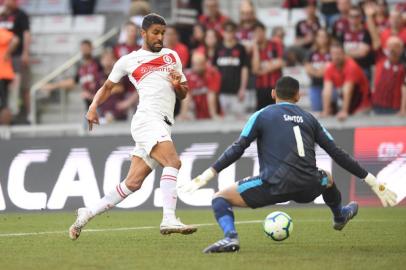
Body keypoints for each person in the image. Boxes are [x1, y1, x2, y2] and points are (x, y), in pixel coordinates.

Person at [180, 76, 397, 253]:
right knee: (327, 178)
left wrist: (209, 173)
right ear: (298, 96)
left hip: (272, 186)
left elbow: (239, 147)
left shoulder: (261, 115)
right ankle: (339, 216)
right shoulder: (311, 119)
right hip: (308, 186)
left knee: (220, 198)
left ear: (273, 93)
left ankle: (230, 238)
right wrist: (371, 180)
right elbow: (337, 153)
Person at [68, 13, 197, 240]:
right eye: (155, 33)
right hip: (147, 119)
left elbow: (184, 93)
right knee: (173, 162)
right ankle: (168, 218)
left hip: (164, 124)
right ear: (143, 33)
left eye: (163, 33)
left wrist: (178, 86)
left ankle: (86, 214)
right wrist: (93, 107)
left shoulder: (171, 56)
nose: (160, 38)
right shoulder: (129, 60)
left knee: (133, 183)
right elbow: (107, 87)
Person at [41, 40, 103, 109]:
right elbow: (73, 81)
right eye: (83, 49)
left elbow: (105, 81)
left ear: (92, 48)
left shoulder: (99, 63)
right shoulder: (81, 67)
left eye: (86, 48)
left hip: (102, 104)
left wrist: (92, 96)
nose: (84, 50)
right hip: (89, 106)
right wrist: (53, 86)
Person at [321, 43, 371, 121]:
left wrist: (344, 111)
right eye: (333, 54)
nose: (336, 57)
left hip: (362, 105)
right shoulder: (330, 67)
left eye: (339, 54)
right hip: (350, 103)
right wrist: (326, 111)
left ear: (344, 54)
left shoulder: (351, 66)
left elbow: (348, 89)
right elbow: (327, 91)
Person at [0, 0, 30, 123]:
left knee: (18, 88)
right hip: (3, 61)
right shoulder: (2, 15)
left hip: (16, 56)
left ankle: (23, 114)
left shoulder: (21, 14)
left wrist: (25, 52)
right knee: (6, 93)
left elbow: (24, 35)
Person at [213, 21, 248, 118]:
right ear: (223, 32)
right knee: (224, 121)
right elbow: (214, 70)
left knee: (239, 120)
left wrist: (242, 88)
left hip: (236, 92)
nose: (229, 34)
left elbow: (244, 69)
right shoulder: (218, 48)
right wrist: (214, 89)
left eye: (231, 31)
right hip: (221, 91)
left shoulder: (240, 48)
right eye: (226, 31)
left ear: (235, 32)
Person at [178, 52, 221, 120]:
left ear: (205, 64)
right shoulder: (187, 75)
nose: (197, 67)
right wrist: (183, 114)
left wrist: (213, 114)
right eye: (195, 65)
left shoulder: (213, 73)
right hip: (195, 111)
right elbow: (187, 96)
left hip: (210, 109)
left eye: (199, 65)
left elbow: (211, 94)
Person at [251, 22, 284, 110]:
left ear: (264, 31)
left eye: (259, 31)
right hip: (260, 87)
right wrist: (255, 48)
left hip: (275, 87)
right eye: (255, 32)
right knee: (262, 115)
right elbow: (255, 69)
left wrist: (262, 70)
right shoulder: (254, 49)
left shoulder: (275, 44)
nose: (258, 34)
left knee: (277, 114)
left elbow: (280, 62)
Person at [372, 36, 406, 116]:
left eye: (394, 46)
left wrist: (403, 109)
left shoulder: (403, 67)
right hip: (377, 105)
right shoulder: (381, 59)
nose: (391, 49)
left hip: (394, 108)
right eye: (389, 46)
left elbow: (404, 89)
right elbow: (375, 39)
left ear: (401, 50)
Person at [339, 5, 374, 80]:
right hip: (346, 69)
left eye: (357, 16)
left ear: (361, 17)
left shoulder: (366, 33)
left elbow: (363, 52)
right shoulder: (343, 33)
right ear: (348, 17)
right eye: (351, 16)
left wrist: (346, 53)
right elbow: (339, 52)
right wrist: (356, 52)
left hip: (363, 68)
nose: (354, 19)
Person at [304, 28, 331, 112]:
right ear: (316, 38)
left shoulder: (332, 52)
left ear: (327, 38)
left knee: (330, 111)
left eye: (324, 36)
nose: (322, 39)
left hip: (330, 86)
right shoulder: (311, 53)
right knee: (317, 112)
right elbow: (308, 69)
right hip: (315, 85)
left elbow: (332, 69)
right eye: (319, 36)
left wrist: (316, 71)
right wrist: (322, 70)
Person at [0, 28, 18, 125]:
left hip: (2, 73)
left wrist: (7, 53)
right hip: (4, 73)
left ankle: (5, 124)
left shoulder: (1, 32)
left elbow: (15, 40)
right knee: (4, 101)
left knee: (4, 102)